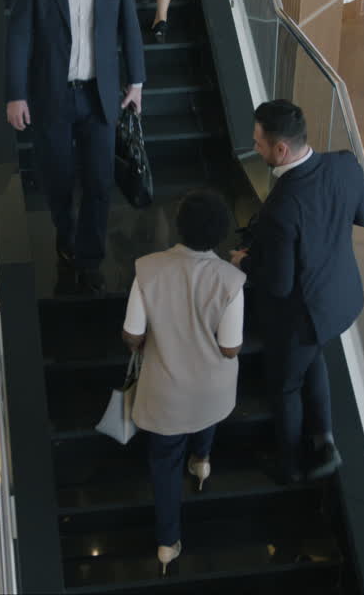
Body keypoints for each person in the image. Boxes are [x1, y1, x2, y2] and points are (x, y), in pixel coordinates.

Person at [6, 0, 147, 294]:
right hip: (52, 93)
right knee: (57, 179)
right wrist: (15, 93)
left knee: (100, 182)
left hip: (100, 94)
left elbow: (129, 25)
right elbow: (19, 35)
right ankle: (65, 236)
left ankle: (90, 256)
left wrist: (136, 80)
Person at [230, 100, 364, 484]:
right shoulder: (345, 164)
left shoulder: (281, 205)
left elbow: (278, 284)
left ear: (281, 149)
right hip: (342, 300)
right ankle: (324, 440)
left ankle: (291, 467)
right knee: (314, 358)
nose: (256, 149)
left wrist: (243, 262)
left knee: (286, 386)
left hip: (302, 315)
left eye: (259, 143)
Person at [122, 190, 245, 574]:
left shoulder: (148, 269)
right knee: (205, 411)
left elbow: (132, 334)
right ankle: (202, 462)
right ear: (221, 233)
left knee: (162, 462)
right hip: (210, 388)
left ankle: (166, 542)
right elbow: (230, 349)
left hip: (165, 390)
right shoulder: (232, 279)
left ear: (178, 227)